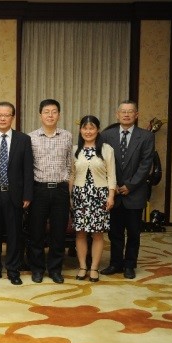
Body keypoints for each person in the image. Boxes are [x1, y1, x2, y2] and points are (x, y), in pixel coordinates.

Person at [0, 102, 33, 285]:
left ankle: (13, 270)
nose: (2, 118)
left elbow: (27, 170)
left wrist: (27, 195)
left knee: (14, 235)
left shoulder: (23, 140)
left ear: (12, 117)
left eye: (6, 115)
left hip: (14, 194)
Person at [100, 100, 155, 279]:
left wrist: (130, 185)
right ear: (117, 115)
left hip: (135, 192)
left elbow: (146, 164)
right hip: (113, 192)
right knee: (114, 233)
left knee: (133, 233)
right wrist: (112, 186)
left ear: (136, 115)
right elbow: (101, 162)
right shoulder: (106, 135)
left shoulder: (146, 136)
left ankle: (130, 265)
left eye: (130, 111)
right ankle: (115, 263)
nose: (126, 114)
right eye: (123, 111)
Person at [28, 99, 72, 284]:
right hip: (39, 189)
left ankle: (55, 269)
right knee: (36, 232)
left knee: (58, 233)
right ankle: (37, 269)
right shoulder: (30, 137)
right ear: (40, 115)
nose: (50, 115)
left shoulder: (67, 136)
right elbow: (28, 167)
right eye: (46, 112)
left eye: (54, 112)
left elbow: (69, 165)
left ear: (59, 115)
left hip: (60, 189)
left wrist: (68, 190)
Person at [70, 115, 116, 283]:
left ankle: (94, 268)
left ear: (98, 130)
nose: (88, 131)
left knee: (97, 234)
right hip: (80, 195)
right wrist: (70, 197)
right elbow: (71, 175)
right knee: (80, 233)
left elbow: (111, 175)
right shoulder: (74, 150)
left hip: (100, 196)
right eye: (85, 128)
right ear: (80, 130)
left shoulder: (106, 149)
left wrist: (111, 195)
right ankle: (83, 266)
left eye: (91, 128)